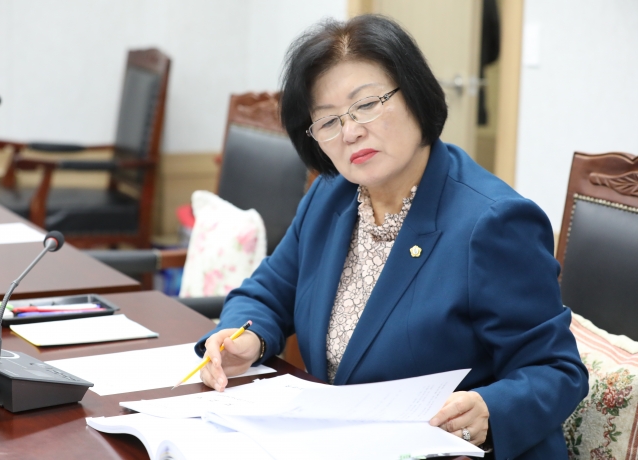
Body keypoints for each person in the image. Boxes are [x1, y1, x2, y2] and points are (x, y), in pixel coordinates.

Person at [195, 14, 588, 459]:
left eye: (367, 104)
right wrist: (246, 337)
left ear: (415, 95)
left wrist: (489, 410)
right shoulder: (330, 196)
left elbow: (556, 370)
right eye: (328, 121)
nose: (351, 132)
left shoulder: (494, 223)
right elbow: (267, 292)